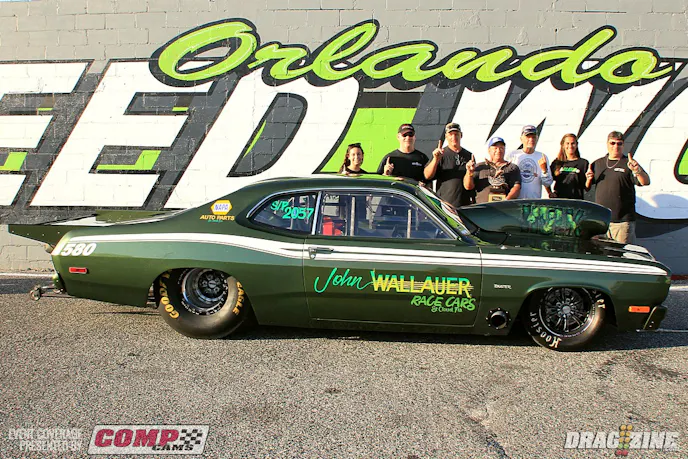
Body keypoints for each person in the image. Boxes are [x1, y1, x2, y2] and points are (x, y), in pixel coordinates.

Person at [585, 131, 650, 244]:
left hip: (622, 222)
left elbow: (645, 182)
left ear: (623, 145)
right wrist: (588, 179)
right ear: (607, 144)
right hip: (601, 221)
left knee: (621, 253)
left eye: (619, 144)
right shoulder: (597, 163)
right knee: (601, 252)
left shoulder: (629, 163)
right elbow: (587, 188)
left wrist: (637, 171)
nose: (616, 146)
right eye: (612, 143)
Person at [423, 122, 476, 207]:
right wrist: (435, 160)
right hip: (445, 205)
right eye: (451, 134)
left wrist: (470, 172)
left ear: (461, 135)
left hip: (465, 205)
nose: (454, 137)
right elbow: (427, 176)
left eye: (456, 134)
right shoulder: (440, 154)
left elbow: (471, 185)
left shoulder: (469, 156)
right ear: (446, 136)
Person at [464, 136, 521, 203]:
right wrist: (469, 173)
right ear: (489, 150)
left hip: (504, 207)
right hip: (483, 207)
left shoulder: (512, 168)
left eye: (501, 148)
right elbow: (468, 187)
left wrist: (505, 201)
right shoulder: (479, 167)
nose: (498, 151)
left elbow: (516, 187)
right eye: (495, 148)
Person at [506, 125, 553, 198]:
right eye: (528, 137)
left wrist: (544, 171)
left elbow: (547, 183)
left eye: (533, 137)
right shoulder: (512, 155)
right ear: (521, 139)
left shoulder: (542, 157)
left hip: (534, 201)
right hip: (515, 201)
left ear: (537, 139)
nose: (531, 139)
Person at [550, 133, 589, 199]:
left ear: (576, 145)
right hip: (560, 201)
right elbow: (546, 180)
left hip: (577, 201)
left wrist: (589, 179)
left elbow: (587, 188)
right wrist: (550, 192)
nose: (570, 146)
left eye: (573, 143)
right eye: (567, 143)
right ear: (563, 145)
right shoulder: (557, 163)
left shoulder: (583, 163)